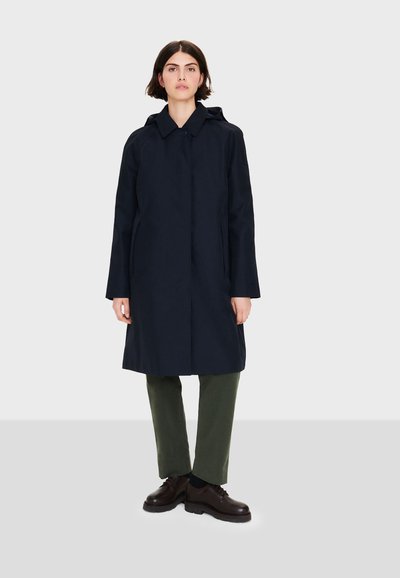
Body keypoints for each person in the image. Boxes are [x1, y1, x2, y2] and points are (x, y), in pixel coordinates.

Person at [105, 40, 261, 523]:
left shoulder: (227, 138)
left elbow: (241, 215)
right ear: (160, 78)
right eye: (172, 68)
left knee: (223, 368)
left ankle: (206, 481)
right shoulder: (140, 143)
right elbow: (125, 217)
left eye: (190, 68)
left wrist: (242, 285)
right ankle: (175, 475)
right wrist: (120, 286)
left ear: (202, 78)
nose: (181, 76)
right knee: (160, 369)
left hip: (215, 272)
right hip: (153, 275)